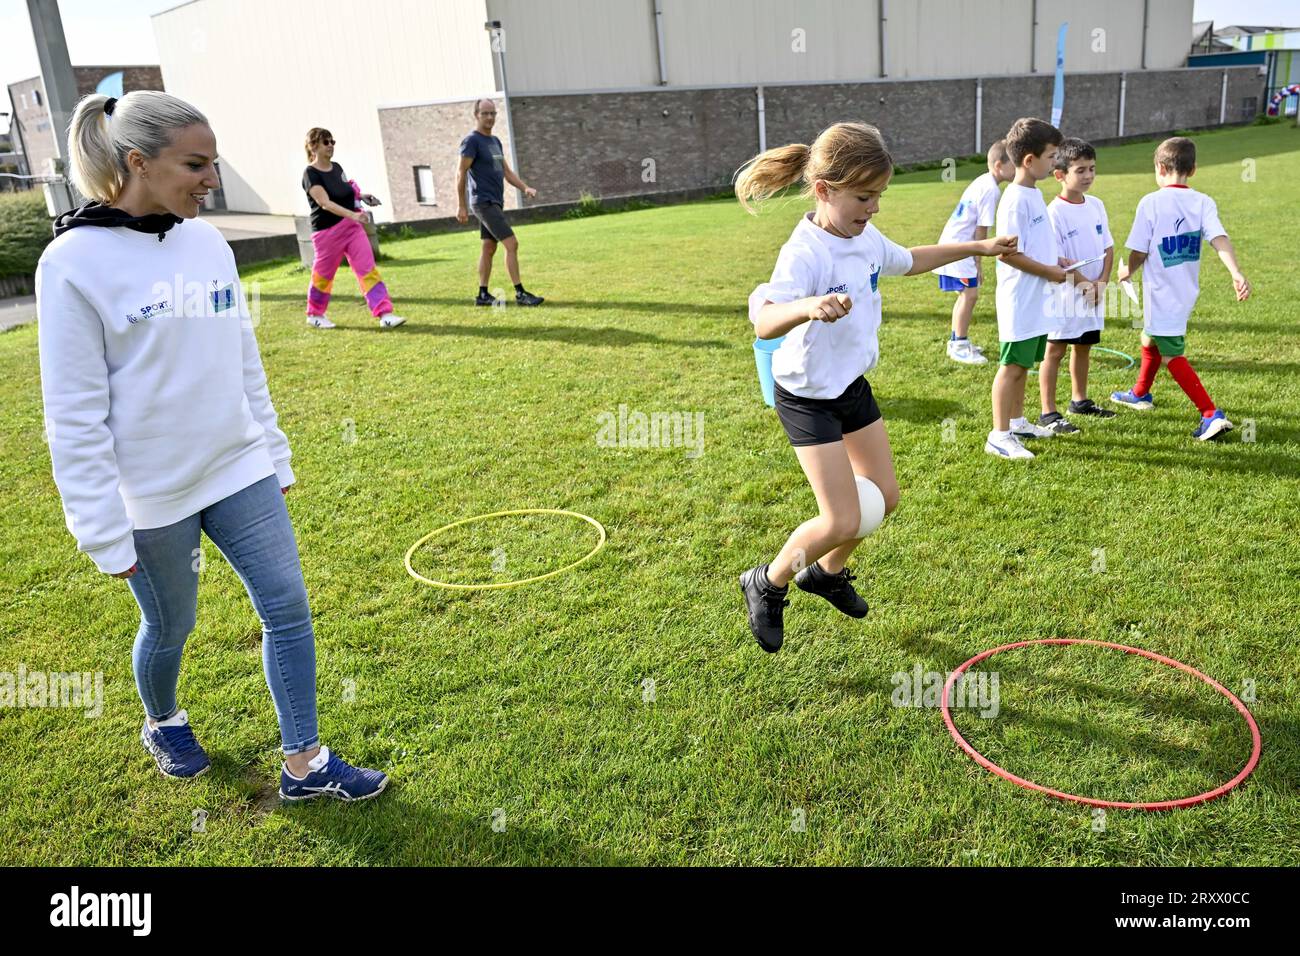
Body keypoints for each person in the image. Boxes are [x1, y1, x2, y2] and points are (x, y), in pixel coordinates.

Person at [36, 90, 389, 801]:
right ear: (138, 162)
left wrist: (273, 450)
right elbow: (73, 414)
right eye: (195, 164)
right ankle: (163, 720)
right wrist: (100, 530)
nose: (210, 179)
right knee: (171, 627)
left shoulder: (207, 243)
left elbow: (241, 355)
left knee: (287, 608)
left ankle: (305, 763)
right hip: (153, 494)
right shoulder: (72, 262)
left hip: (238, 468)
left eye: (213, 164)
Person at [734, 122, 1016, 652]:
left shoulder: (864, 237)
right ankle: (768, 582)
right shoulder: (805, 252)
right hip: (808, 396)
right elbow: (765, 321)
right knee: (841, 516)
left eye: (879, 196)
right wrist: (808, 307)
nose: (874, 208)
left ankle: (824, 574)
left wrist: (979, 244)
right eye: (864, 197)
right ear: (825, 190)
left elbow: (909, 262)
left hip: (850, 388)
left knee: (885, 499)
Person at [1111, 136, 1249, 440]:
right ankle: (1140, 393)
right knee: (1150, 338)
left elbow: (1139, 251)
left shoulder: (1150, 202)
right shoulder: (1203, 201)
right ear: (1194, 169)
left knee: (1173, 354)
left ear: (1160, 168)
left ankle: (1210, 413)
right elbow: (1219, 239)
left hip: (1163, 294)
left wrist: (1126, 271)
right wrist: (1235, 272)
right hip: (1185, 291)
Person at [986, 117, 1070, 460]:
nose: (1056, 164)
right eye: (1052, 157)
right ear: (1029, 161)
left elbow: (1035, 243)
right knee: (1012, 366)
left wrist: (1057, 261)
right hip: (1020, 298)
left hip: (1038, 296)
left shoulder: (1033, 194)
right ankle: (999, 434)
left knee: (1025, 365)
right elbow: (1007, 254)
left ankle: (1018, 422)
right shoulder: (1014, 199)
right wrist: (1047, 271)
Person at [1039, 137, 1116, 432]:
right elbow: (1056, 258)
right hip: (1066, 294)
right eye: (1080, 170)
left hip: (1094, 292)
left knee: (1083, 346)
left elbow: (1108, 247)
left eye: (1092, 169)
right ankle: (1048, 412)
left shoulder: (1096, 205)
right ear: (1059, 175)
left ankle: (1080, 400)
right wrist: (1084, 284)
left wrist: (1102, 283)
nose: (1088, 176)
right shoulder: (1053, 212)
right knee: (1055, 350)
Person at [302, 126, 405, 329]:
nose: (331, 145)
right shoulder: (310, 173)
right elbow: (325, 203)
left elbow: (343, 192)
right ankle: (315, 314)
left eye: (332, 141)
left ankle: (385, 313)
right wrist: (354, 215)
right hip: (327, 233)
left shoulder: (337, 168)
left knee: (368, 270)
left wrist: (361, 196)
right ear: (313, 146)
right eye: (326, 142)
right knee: (323, 275)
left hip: (352, 228)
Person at [933, 139, 1015, 365]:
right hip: (959, 248)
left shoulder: (984, 181)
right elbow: (981, 231)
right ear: (999, 165)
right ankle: (958, 344)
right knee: (970, 294)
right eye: (1014, 165)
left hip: (957, 246)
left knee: (967, 294)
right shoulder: (991, 190)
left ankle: (957, 340)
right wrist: (978, 263)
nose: (1017, 169)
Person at [456, 98, 544, 306]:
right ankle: (520, 293)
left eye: (493, 113)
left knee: (488, 247)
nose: (489, 117)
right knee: (511, 244)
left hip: (495, 201)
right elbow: (460, 173)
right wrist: (461, 205)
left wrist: (525, 187)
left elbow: (506, 171)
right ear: (476, 115)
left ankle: (483, 294)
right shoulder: (472, 141)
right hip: (482, 201)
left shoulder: (495, 141)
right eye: (485, 113)